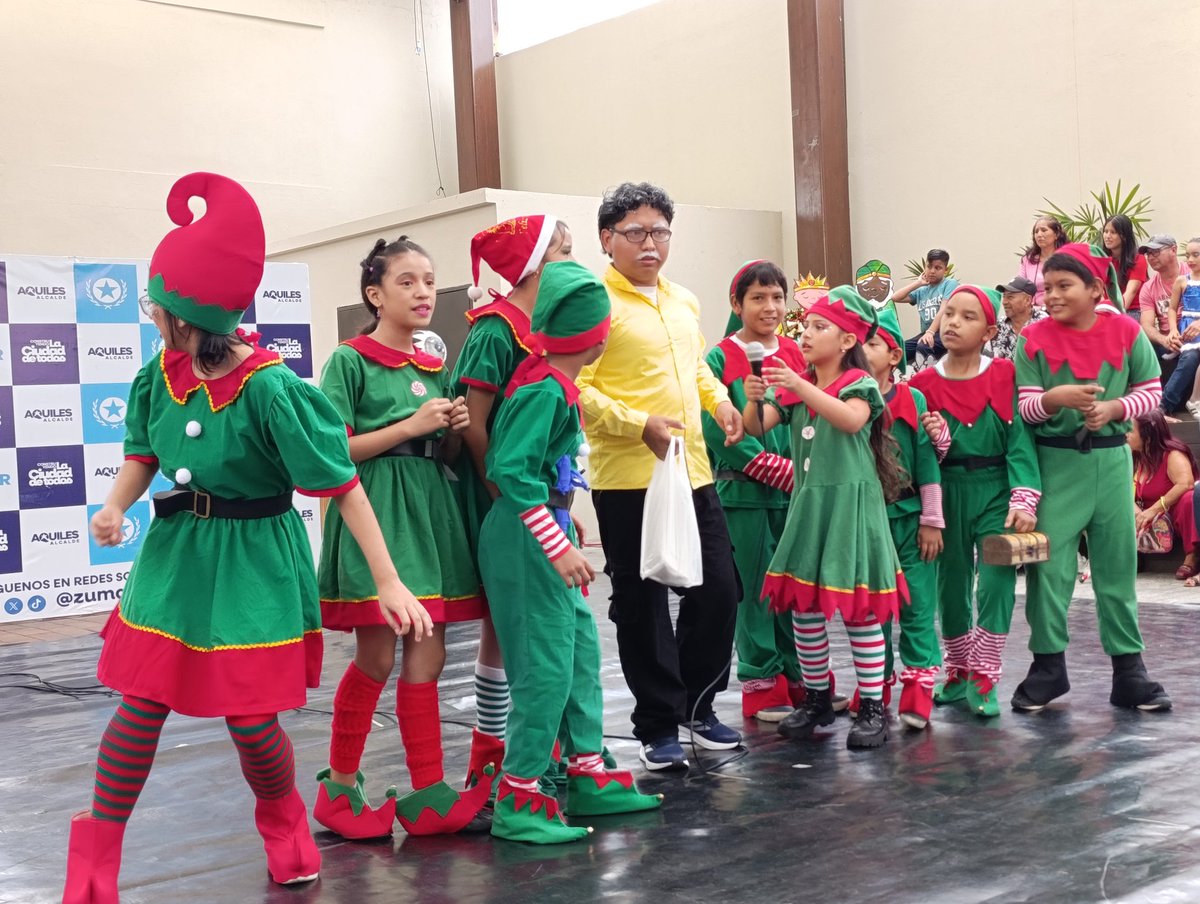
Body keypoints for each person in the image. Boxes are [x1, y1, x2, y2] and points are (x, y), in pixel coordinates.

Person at [62, 173, 433, 901]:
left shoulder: (270, 388)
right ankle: (97, 863)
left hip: (255, 561)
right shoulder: (159, 373)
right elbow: (143, 452)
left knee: (252, 722)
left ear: (185, 317)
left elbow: (342, 484)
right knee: (141, 703)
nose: (153, 316)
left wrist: (389, 581)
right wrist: (115, 506)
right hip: (177, 558)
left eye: (158, 306)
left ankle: (283, 818)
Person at [479, 260, 663, 843]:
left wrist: (563, 516)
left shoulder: (551, 382)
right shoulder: (544, 391)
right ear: (597, 337)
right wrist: (554, 542)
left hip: (538, 528)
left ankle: (586, 770)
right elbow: (510, 470)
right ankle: (520, 793)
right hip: (525, 541)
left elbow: (538, 468)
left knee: (579, 653)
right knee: (545, 667)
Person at [314, 235, 491, 838]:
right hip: (377, 514)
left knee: (430, 653)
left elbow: (443, 455)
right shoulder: (348, 361)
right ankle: (339, 788)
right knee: (376, 655)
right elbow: (333, 452)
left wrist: (451, 430)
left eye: (429, 281)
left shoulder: (435, 366)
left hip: (430, 514)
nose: (422, 293)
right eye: (406, 282)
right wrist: (410, 425)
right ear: (375, 294)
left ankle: (429, 793)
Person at [578, 182, 745, 772]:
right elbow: (577, 386)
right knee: (642, 601)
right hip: (629, 475)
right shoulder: (593, 303)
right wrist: (637, 424)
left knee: (719, 589)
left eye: (660, 231)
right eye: (636, 232)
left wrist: (720, 401)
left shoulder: (683, 301)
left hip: (692, 469)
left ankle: (699, 705)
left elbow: (696, 367)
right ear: (607, 239)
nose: (650, 243)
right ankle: (657, 724)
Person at [743, 286, 908, 750]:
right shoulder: (798, 385)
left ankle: (871, 705)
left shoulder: (859, 384)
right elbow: (754, 426)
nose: (807, 334)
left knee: (859, 610)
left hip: (850, 509)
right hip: (809, 507)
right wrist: (754, 397)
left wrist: (799, 386)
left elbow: (851, 420)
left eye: (820, 327)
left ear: (848, 340)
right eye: (807, 325)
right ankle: (817, 698)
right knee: (805, 608)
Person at [1013, 242, 1171, 713]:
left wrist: (1115, 408)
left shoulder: (1126, 331)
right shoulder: (1032, 339)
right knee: (1049, 570)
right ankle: (1048, 667)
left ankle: (1129, 671)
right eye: (1047, 287)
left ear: (1096, 289)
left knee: (1117, 565)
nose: (1052, 296)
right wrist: (1056, 398)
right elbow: (1025, 408)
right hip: (1056, 464)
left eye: (1064, 286)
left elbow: (1152, 392)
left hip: (1111, 462)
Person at [450, 215, 575, 796]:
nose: (571, 264)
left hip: (538, 496)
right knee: (504, 624)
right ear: (532, 265)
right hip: (503, 494)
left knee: (526, 629)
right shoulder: (495, 329)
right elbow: (474, 423)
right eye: (562, 253)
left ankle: (534, 750)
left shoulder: (543, 329)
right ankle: (492, 755)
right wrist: (502, 492)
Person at [910, 287, 1041, 717]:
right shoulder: (922, 384)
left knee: (996, 583)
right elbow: (919, 453)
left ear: (988, 332)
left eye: (967, 317)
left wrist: (1023, 498)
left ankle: (984, 675)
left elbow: (1020, 442)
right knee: (950, 585)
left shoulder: (1005, 374)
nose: (952, 322)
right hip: (945, 492)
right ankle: (958, 671)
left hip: (996, 492)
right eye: (949, 313)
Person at [703, 260, 806, 721]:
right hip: (743, 493)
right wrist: (767, 465)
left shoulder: (797, 352)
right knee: (756, 587)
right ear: (736, 303)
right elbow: (713, 425)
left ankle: (799, 677)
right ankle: (761, 682)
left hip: (796, 492)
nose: (770, 307)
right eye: (758, 298)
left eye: (777, 297)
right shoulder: (719, 358)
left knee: (793, 585)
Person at [863, 306, 945, 730]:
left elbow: (927, 462)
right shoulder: (847, 399)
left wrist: (931, 520)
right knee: (872, 608)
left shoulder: (912, 399)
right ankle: (874, 686)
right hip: (866, 522)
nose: (862, 350)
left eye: (872, 343)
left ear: (895, 355)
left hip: (911, 519)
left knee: (916, 604)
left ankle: (918, 687)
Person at [1128, 409, 1200, 580]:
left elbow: (1186, 483)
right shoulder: (1132, 455)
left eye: (1130, 430)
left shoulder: (1172, 454)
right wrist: (1136, 511)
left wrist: (1154, 509)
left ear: (1147, 435)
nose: (1125, 434)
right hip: (1146, 517)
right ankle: (1131, 555)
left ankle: (1193, 555)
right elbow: (1122, 487)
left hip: (1173, 513)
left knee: (1188, 498)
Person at [892, 249, 959, 366]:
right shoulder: (921, 290)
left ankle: (928, 375)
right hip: (926, 333)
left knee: (924, 346)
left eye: (938, 268)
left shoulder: (950, 284)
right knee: (899, 351)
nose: (932, 271)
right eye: (929, 266)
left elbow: (944, 310)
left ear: (945, 270)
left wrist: (930, 332)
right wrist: (918, 283)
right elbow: (895, 297)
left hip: (944, 332)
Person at [1160, 238, 1200, 415]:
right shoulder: (1182, 281)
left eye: (1196, 255)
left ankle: (1195, 400)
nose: (1190, 260)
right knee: (1190, 357)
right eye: (1188, 255)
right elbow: (1172, 308)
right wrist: (1173, 330)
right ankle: (1164, 405)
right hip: (1188, 332)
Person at [1137, 234, 1183, 363]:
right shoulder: (1148, 288)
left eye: (1156, 251)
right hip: (1168, 344)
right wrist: (1164, 340)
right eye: (1148, 253)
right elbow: (1146, 325)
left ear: (1173, 250)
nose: (1151, 257)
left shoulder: (1193, 274)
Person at [990, 276, 1047, 360]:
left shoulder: (1044, 324)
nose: (1004, 302)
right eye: (1004, 296)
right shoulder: (998, 326)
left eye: (1010, 297)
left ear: (1027, 300)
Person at [1101, 214, 1148, 314]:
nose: (1107, 236)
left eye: (1113, 232)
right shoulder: (1103, 260)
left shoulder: (1138, 259)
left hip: (1132, 311)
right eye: (1105, 231)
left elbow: (1131, 292)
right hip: (1109, 310)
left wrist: (1112, 314)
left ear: (1124, 236)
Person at [1018, 216, 1069, 307]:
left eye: (1044, 230)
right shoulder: (1027, 260)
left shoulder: (1067, 259)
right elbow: (1020, 287)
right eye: (1036, 231)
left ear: (1056, 234)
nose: (1039, 234)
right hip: (1032, 309)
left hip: (1059, 307)